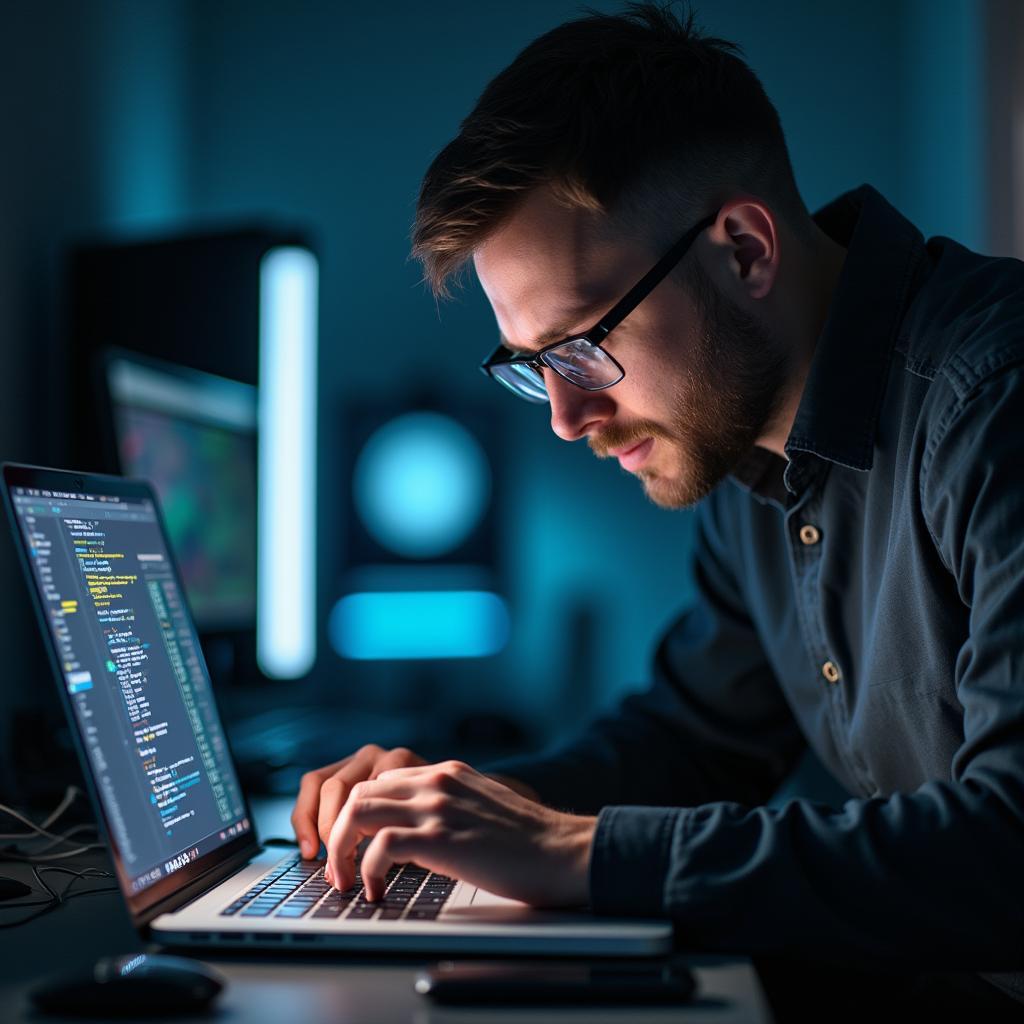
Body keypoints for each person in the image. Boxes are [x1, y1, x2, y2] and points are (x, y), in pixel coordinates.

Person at [290, 4, 1024, 1009]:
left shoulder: (995, 399)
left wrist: (573, 852)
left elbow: (1010, 848)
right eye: (531, 365)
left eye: (582, 345)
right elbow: (693, 741)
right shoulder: (749, 451)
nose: (563, 415)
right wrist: (466, 802)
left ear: (743, 252)